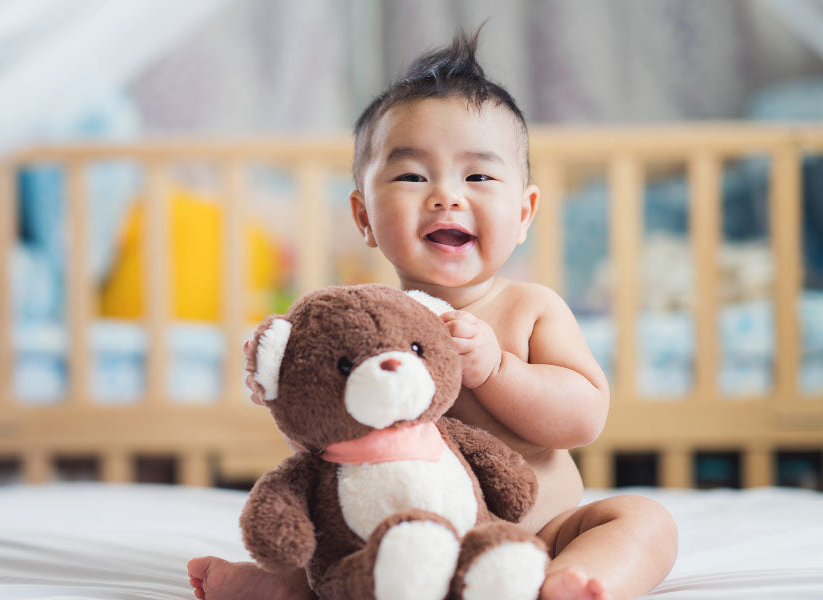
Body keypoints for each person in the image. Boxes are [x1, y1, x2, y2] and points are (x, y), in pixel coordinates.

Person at [188, 28, 677, 600]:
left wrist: (498, 372)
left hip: (535, 536)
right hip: (392, 545)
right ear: (363, 215)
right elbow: (329, 431)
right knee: (323, 551)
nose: (447, 195)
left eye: (478, 176)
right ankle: (266, 587)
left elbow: (582, 419)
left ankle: (558, 587)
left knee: (643, 521)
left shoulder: (530, 309)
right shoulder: (365, 322)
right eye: (412, 176)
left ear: (524, 212)